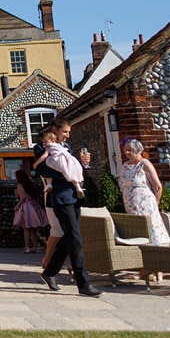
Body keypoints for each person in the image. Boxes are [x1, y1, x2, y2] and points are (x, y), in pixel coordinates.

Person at [35, 117, 103, 297]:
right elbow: (43, 170)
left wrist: (83, 164)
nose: (67, 136)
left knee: (70, 238)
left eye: (69, 132)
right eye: (65, 132)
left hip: (74, 196)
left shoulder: (67, 148)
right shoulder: (42, 147)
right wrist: (65, 171)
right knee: (75, 239)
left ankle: (49, 272)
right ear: (55, 129)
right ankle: (83, 284)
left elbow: (72, 170)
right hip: (59, 198)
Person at [118, 139, 170, 246]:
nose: (127, 152)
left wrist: (156, 201)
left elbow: (157, 186)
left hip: (145, 202)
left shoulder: (145, 164)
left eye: (130, 150)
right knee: (136, 225)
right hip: (130, 202)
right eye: (126, 150)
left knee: (149, 223)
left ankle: (156, 245)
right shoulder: (125, 165)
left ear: (138, 151)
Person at [33, 131, 85, 199]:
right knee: (71, 173)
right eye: (43, 142)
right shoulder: (61, 146)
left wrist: (35, 164)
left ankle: (49, 184)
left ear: (53, 140)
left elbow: (44, 156)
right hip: (66, 159)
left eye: (46, 141)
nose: (44, 144)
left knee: (49, 165)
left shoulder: (48, 147)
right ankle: (78, 187)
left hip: (56, 160)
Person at [13, 169, 48, 253]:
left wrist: (16, 206)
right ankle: (35, 247)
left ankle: (27, 247)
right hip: (33, 205)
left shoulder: (20, 185)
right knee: (32, 228)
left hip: (26, 207)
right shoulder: (29, 184)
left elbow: (23, 197)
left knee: (26, 227)